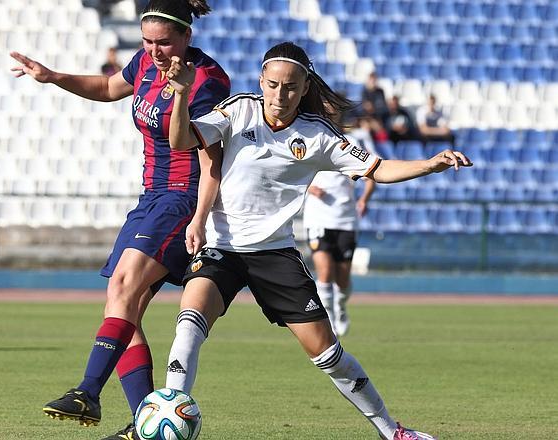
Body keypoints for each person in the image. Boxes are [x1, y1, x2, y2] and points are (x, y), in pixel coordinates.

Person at [163, 41, 471, 440]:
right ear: (261, 81)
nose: (279, 94)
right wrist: (182, 94)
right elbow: (180, 141)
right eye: (272, 84)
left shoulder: (318, 136)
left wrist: (430, 164)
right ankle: (171, 413)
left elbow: (377, 169)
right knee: (189, 321)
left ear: (305, 87)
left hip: (274, 253)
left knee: (328, 353)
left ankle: (392, 431)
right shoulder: (238, 109)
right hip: (222, 246)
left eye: (290, 87)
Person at [9, 2, 230, 440]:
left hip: (182, 199)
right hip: (150, 197)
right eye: (148, 42)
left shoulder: (207, 81)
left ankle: (88, 391)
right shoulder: (145, 64)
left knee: (123, 287)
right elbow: (110, 88)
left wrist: (201, 218)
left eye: (164, 42)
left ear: (186, 37)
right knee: (122, 307)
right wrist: (54, 77)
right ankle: (143, 425)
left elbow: (212, 160)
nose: (155, 51)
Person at [303, 122, 376, 337]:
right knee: (325, 271)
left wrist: (363, 199)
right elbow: (289, 171)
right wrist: (309, 187)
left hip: (345, 219)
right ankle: (329, 317)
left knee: (342, 277)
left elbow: (371, 175)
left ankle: (340, 308)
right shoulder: (309, 138)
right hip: (317, 218)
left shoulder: (351, 144)